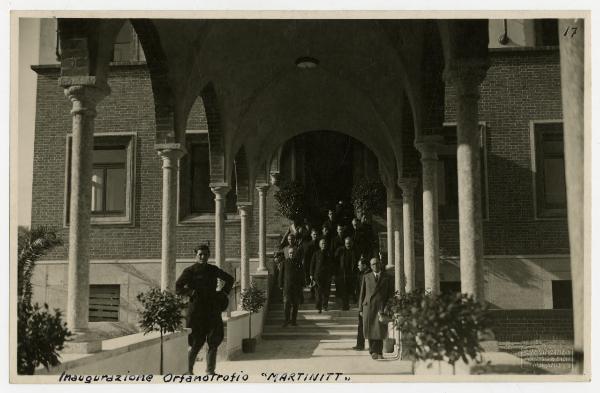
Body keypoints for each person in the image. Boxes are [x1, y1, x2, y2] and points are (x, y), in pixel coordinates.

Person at [176, 243, 234, 375]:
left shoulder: (213, 270)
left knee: (214, 341)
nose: (203, 257)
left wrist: (223, 293)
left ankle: (210, 371)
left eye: (206, 254)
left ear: (209, 256)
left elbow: (230, 279)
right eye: (200, 254)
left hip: (212, 309)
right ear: (195, 255)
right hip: (197, 311)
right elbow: (177, 287)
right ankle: (188, 370)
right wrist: (191, 292)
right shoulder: (189, 271)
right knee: (197, 341)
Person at [358, 257, 394, 360]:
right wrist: (360, 308)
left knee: (380, 329)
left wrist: (389, 306)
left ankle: (379, 352)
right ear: (370, 266)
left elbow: (390, 294)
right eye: (373, 264)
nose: (375, 266)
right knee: (370, 329)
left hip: (381, 306)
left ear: (380, 264)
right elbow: (362, 293)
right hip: (368, 306)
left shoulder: (386, 277)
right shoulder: (366, 276)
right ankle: (373, 351)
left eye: (377, 264)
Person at [279, 247, 304, 327]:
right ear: (288, 254)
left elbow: (301, 275)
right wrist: (280, 285)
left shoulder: (298, 263)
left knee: (296, 305)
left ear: (295, 254)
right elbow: (281, 275)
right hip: (287, 287)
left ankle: (293, 321)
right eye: (290, 253)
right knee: (286, 304)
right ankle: (286, 321)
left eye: (293, 253)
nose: (291, 254)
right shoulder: (284, 263)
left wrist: (302, 285)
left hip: (296, 288)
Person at [335, 237, 359, 310]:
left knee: (351, 289)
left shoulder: (355, 251)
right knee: (343, 290)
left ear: (352, 243)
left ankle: (353, 302)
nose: (348, 245)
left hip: (352, 273)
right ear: (344, 243)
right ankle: (345, 305)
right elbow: (335, 260)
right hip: (343, 273)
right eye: (346, 243)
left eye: (349, 243)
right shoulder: (340, 250)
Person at [310, 238, 333, 313]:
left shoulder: (329, 253)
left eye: (325, 243)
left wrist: (332, 274)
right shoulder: (316, 253)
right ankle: (318, 307)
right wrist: (311, 275)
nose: (324, 245)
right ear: (319, 245)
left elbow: (332, 265)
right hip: (317, 276)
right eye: (322, 243)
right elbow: (312, 265)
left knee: (326, 292)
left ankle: (325, 306)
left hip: (327, 276)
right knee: (318, 293)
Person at [353, 255, 371, 351]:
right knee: (361, 324)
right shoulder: (361, 274)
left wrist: (361, 306)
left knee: (364, 324)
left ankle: (362, 345)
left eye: (359, 265)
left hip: (365, 304)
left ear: (364, 265)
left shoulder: (368, 275)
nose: (358, 266)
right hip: (362, 303)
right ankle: (360, 344)